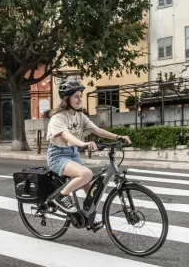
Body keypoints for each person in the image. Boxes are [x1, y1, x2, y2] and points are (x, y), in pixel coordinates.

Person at [46, 80, 131, 214]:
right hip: (57, 155)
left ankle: (89, 215)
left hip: (72, 153)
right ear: (67, 99)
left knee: (91, 187)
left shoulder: (80, 116)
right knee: (86, 174)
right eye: (76, 96)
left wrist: (117, 137)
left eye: (81, 96)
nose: (80, 99)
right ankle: (61, 197)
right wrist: (83, 144)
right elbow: (66, 135)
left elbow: (97, 130)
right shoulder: (58, 118)